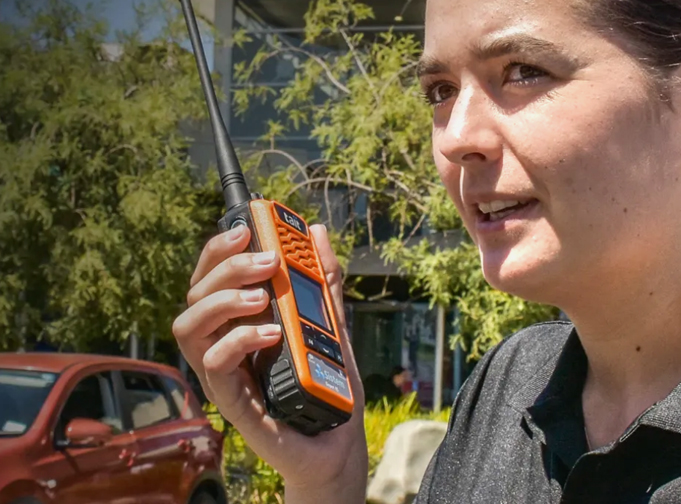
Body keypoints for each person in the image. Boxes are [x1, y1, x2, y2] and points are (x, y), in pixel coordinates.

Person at [171, 0, 681, 502]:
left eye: (523, 71)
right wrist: (327, 480)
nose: (455, 138)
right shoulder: (507, 384)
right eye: (441, 91)